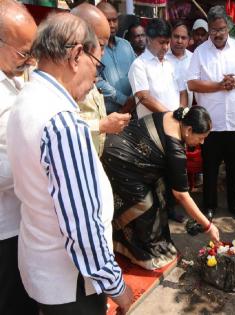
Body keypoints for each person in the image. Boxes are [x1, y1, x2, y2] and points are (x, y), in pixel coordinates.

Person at [7, 13, 134, 314]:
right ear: (77, 54)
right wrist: (117, 287)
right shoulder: (62, 123)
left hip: (43, 266)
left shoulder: (26, 97)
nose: (96, 78)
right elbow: (82, 227)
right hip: (72, 280)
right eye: (97, 64)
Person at [101, 106, 220, 270]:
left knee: (159, 195)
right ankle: (143, 253)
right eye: (201, 137)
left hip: (124, 150)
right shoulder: (175, 149)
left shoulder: (176, 116)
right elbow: (182, 195)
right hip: (120, 160)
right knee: (145, 205)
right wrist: (208, 226)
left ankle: (139, 244)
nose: (202, 142)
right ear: (189, 130)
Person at [187, 5, 235, 223]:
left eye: (222, 29)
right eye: (214, 30)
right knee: (210, 169)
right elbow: (192, 83)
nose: (218, 34)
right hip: (212, 125)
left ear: (228, 28)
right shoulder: (200, 52)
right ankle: (209, 207)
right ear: (209, 30)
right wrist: (219, 85)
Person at [0, 2, 38, 314]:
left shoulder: (13, 75)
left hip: (22, 219)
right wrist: (36, 166)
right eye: (23, 52)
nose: (29, 61)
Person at [71, 3, 131, 157]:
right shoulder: (63, 77)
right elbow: (60, 127)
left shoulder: (125, 46)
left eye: (114, 20)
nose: (101, 54)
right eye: (99, 46)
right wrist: (101, 125)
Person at [129, 18, 187, 119]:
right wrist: (171, 116)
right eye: (161, 42)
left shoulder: (172, 62)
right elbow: (144, 98)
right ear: (149, 40)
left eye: (168, 42)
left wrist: (181, 113)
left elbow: (183, 92)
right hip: (153, 127)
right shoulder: (139, 65)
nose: (165, 47)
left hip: (176, 125)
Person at [97, 1, 137, 114]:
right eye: (107, 21)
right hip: (108, 114)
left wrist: (132, 99)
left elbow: (136, 72)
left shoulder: (126, 45)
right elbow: (96, 81)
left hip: (133, 110)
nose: (112, 25)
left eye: (115, 20)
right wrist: (124, 100)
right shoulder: (93, 48)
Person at [166, 20, 193, 107]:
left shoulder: (193, 58)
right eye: (176, 36)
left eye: (183, 38)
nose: (179, 41)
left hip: (187, 111)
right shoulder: (161, 57)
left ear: (189, 40)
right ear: (170, 37)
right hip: (165, 110)